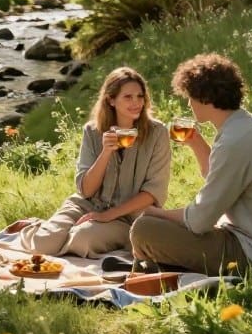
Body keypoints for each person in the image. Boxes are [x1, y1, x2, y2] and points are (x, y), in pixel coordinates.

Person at [130, 53, 252, 276]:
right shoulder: (248, 125)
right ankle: (155, 263)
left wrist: (155, 212)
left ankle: (149, 267)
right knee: (158, 225)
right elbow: (221, 179)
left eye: (190, 97)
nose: (189, 103)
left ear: (206, 98)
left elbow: (199, 221)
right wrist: (196, 143)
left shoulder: (234, 141)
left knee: (144, 229)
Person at [14, 66, 171, 257]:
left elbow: (152, 193)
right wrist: (105, 153)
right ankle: (43, 231)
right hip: (86, 204)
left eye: (140, 96)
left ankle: (70, 239)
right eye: (128, 97)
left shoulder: (157, 133)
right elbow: (86, 190)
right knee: (43, 244)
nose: (136, 102)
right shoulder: (92, 131)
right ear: (111, 100)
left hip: (127, 215)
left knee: (82, 240)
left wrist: (105, 217)